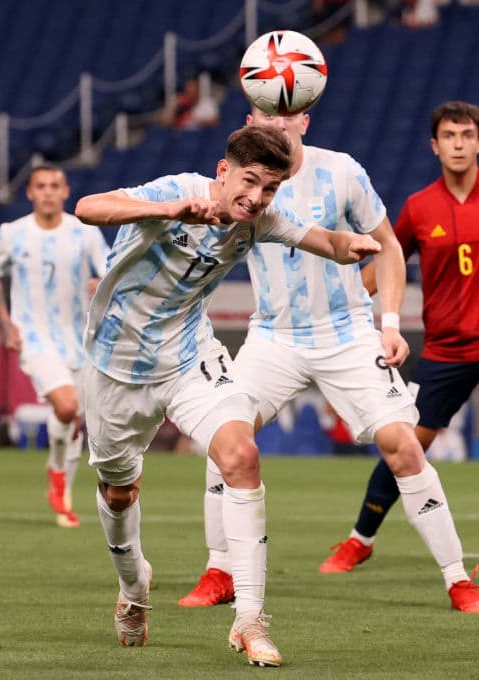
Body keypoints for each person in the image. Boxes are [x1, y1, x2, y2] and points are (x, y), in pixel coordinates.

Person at [74, 124, 380, 666]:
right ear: (223, 171)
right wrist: (170, 213)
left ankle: (250, 620)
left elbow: (324, 242)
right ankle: (133, 587)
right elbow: (88, 207)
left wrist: (350, 246)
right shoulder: (174, 192)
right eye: (249, 182)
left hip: (190, 359)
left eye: (270, 188)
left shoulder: (258, 220)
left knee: (241, 457)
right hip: (115, 368)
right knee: (119, 492)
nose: (257, 197)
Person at [177, 106, 479, 615]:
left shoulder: (342, 171)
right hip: (274, 336)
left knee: (404, 447)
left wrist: (389, 324)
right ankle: (220, 571)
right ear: (249, 120)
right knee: (227, 439)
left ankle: (459, 581)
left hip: (346, 331)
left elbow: (389, 247)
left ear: (305, 119)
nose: (278, 123)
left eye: (288, 114)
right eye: (267, 113)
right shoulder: (241, 181)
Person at [320, 101, 479, 576]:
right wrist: (346, 298)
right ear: (434, 145)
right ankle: (360, 539)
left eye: (466, 135)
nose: (458, 144)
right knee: (406, 445)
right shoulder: (419, 208)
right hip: (445, 351)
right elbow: (387, 259)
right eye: (449, 136)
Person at [0, 164, 109, 528]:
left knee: (74, 416)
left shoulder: (83, 232)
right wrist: (6, 324)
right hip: (34, 336)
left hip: (79, 337)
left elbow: (108, 269)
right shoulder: (12, 233)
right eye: (41, 186)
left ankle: (62, 491)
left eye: (55, 185)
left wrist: (98, 284)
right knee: (66, 405)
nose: (48, 192)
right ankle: (57, 473)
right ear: (30, 193)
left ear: (66, 192)